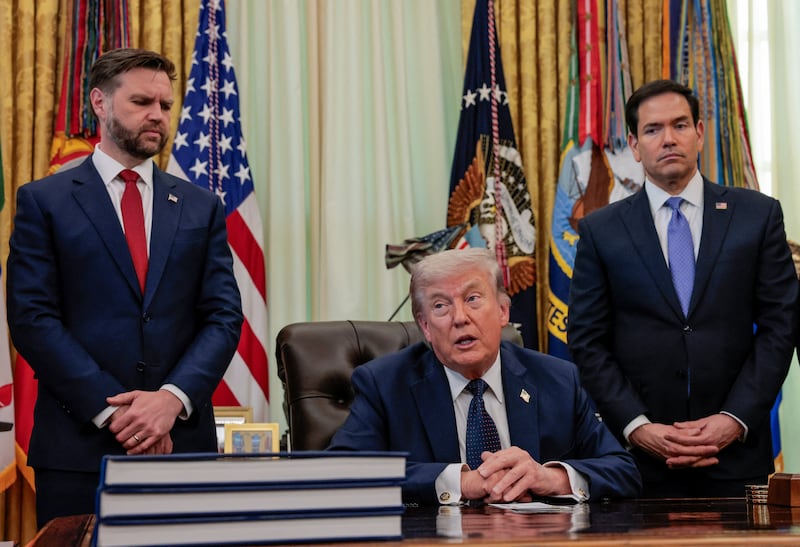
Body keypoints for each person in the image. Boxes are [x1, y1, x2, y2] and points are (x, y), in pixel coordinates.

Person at [6, 48, 243, 526]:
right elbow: (33, 319)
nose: (157, 115)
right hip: (79, 448)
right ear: (100, 102)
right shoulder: (44, 201)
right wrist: (117, 414)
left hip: (181, 444)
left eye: (165, 105)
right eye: (141, 102)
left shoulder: (201, 206)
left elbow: (223, 315)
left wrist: (171, 399)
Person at [567, 79, 797, 497]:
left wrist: (734, 418)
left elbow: (781, 327)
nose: (668, 138)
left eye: (680, 125)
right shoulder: (601, 230)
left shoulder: (757, 216)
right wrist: (638, 427)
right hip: (639, 463)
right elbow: (586, 340)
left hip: (738, 456)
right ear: (635, 146)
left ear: (700, 134)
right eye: (653, 130)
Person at [328, 248, 641, 505]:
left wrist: (548, 477)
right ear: (425, 327)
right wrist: (461, 482)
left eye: (473, 299)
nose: (460, 318)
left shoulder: (557, 379)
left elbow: (622, 471)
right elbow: (343, 474)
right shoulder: (384, 384)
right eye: (440, 306)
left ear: (503, 312)